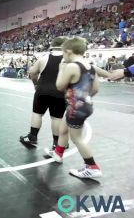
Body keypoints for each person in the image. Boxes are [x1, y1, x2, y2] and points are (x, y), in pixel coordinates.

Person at [47, 37, 102, 179]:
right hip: (85, 105)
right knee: (63, 129)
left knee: (77, 138)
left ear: (69, 52)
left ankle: (92, 167)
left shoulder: (72, 66)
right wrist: (83, 98)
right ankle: (58, 153)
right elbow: (95, 88)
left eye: (63, 53)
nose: (63, 56)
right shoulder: (90, 66)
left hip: (76, 108)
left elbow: (60, 86)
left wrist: (61, 69)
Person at [19, 37, 67, 150]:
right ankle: (57, 144)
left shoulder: (44, 58)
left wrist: (35, 84)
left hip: (43, 90)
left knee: (37, 113)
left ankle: (32, 137)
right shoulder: (67, 59)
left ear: (52, 45)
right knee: (56, 118)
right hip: (60, 92)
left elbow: (32, 72)